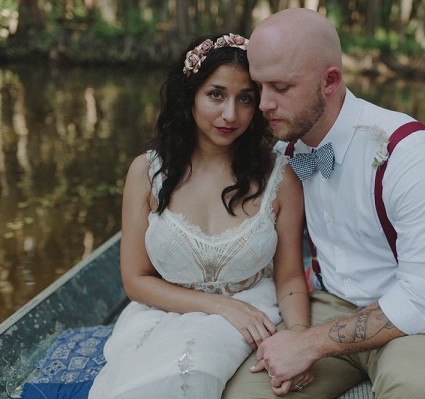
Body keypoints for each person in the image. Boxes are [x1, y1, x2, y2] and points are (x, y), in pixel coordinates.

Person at [223, 8, 425, 399]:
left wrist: (308, 344)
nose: (264, 105)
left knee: (413, 392)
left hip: (411, 316)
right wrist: (300, 333)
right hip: (326, 302)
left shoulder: (409, 153)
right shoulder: (285, 151)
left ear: (330, 81)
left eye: (281, 88)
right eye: (259, 87)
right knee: (243, 394)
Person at [89, 33, 312, 399]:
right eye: (216, 94)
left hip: (253, 313)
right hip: (162, 312)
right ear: (189, 94)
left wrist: (301, 339)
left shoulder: (280, 177)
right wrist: (222, 306)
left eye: (246, 99)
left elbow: (288, 275)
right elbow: (135, 280)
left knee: (194, 369)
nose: (231, 115)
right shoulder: (146, 172)